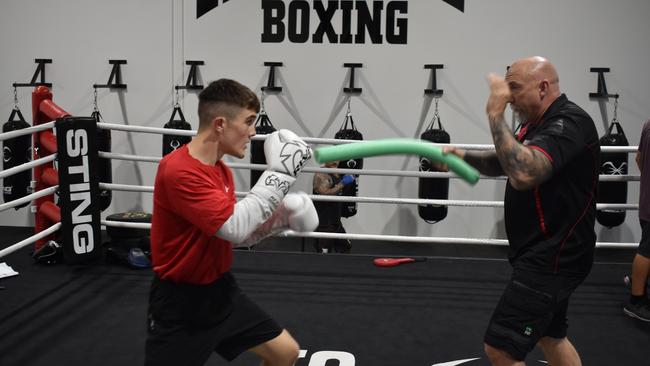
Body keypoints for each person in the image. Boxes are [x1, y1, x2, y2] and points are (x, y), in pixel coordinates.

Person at [145, 78, 318, 366]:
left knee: (285, 353)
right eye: (249, 122)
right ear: (220, 124)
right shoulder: (178, 171)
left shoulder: (219, 169)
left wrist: (280, 220)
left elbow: (237, 234)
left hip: (221, 292)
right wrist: (282, 174)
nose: (253, 132)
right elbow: (234, 228)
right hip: (181, 305)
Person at [445, 57, 600, 365]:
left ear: (543, 87)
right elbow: (505, 160)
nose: (509, 97)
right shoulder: (534, 123)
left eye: (514, 88)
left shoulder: (568, 123)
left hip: (553, 257)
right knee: (551, 336)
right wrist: (460, 156)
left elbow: (525, 173)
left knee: (501, 348)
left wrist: (494, 113)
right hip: (548, 252)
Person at [623, 119, 650, 322]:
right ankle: (636, 300)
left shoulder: (648, 124)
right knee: (647, 249)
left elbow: (639, 159)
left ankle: (639, 282)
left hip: (646, 199)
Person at [312, 161, 354, 253]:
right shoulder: (321, 174)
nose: (335, 161)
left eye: (337, 158)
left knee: (345, 247)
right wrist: (342, 184)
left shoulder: (339, 172)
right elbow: (324, 195)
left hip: (336, 221)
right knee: (324, 253)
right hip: (325, 222)